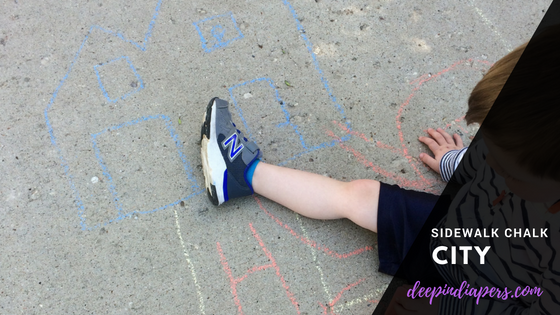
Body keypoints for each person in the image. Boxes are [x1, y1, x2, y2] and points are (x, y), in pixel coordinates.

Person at [199, 23, 560, 313]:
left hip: (481, 291)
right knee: (360, 194)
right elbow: (482, 171)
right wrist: (457, 164)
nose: (491, 164)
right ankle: (241, 176)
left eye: (508, 170)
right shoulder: (519, 156)